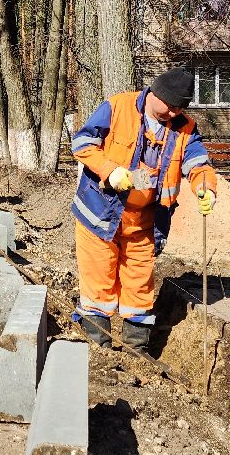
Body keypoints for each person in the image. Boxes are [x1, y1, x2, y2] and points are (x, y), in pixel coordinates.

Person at [70, 68, 218, 351]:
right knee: (99, 280)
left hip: (145, 221)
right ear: (155, 93)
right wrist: (110, 170)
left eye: (180, 108)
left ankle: (135, 349)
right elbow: (82, 143)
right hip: (100, 212)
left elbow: (198, 163)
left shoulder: (185, 127)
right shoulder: (118, 107)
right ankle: (98, 349)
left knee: (139, 285)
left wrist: (206, 187)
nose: (174, 113)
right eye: (171, 106)